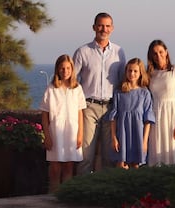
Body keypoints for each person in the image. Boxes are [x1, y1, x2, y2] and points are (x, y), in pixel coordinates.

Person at [73, 12, 126, 175]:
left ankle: (105, 193)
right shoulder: (83, 51)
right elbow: (72, 80)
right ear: (94, 27)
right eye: (101, 25)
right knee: (85, 154)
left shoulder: (119, 52)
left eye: (107, 26)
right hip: (89, 107)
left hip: (111, 109)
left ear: (112, 28)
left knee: (110, 155)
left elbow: (123, 82)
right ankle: (81, 192)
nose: (104, 29)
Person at [39, 54, 86, 193]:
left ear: (72, 69)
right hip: (55, 132)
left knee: (69, 166)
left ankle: (66, 194)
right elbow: (44, 114)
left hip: (72, 133)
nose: (65, 71)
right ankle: (53, 195)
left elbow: (80, 113)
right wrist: (47, 136)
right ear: (57, 70)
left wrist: (80, 135)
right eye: (62, 68)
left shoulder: (77, 89)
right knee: (54, 167)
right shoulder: (51, 89)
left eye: (67, 68)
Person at [146, 39, 175, 166]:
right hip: (156, 117)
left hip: (172, 116)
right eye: (154, 53)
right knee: (158, 153)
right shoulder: (150, 74)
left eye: (160, 52)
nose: (158, 55)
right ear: (151, 56)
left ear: (166, 52)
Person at [108, 58, 155, 169]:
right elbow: (114, 117)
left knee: (136, 166)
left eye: (135, 71)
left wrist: (144, 141)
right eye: (129, 71)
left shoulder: (145, 93)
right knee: (120, 165)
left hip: (138, 134)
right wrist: (114, 137)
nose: (132, 74)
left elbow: (148, 119)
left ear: (140, 73)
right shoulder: (119, 92)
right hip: (122, 134)